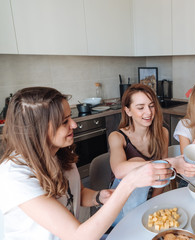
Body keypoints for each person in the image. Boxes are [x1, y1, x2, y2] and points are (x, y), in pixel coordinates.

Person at [0, 87, 173, 240]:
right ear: (37, 129)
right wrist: (130, 182)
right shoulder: (14, 175)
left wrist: (98, 196)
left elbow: (77, 192)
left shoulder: (61, 154)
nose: (74, 124)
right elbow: (78, 236)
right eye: (64, 122)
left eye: (71, 117)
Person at [108, 84, 195, 224]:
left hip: (149, 197)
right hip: (121, 202)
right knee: (137, 161)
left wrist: (151, 203)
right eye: (140, 107)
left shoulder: (162, 132)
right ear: (128, 111)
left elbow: (163, 176)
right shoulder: (117, 136)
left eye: (151, 106)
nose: (148, 112)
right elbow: (119, 170)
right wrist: (171, 163)